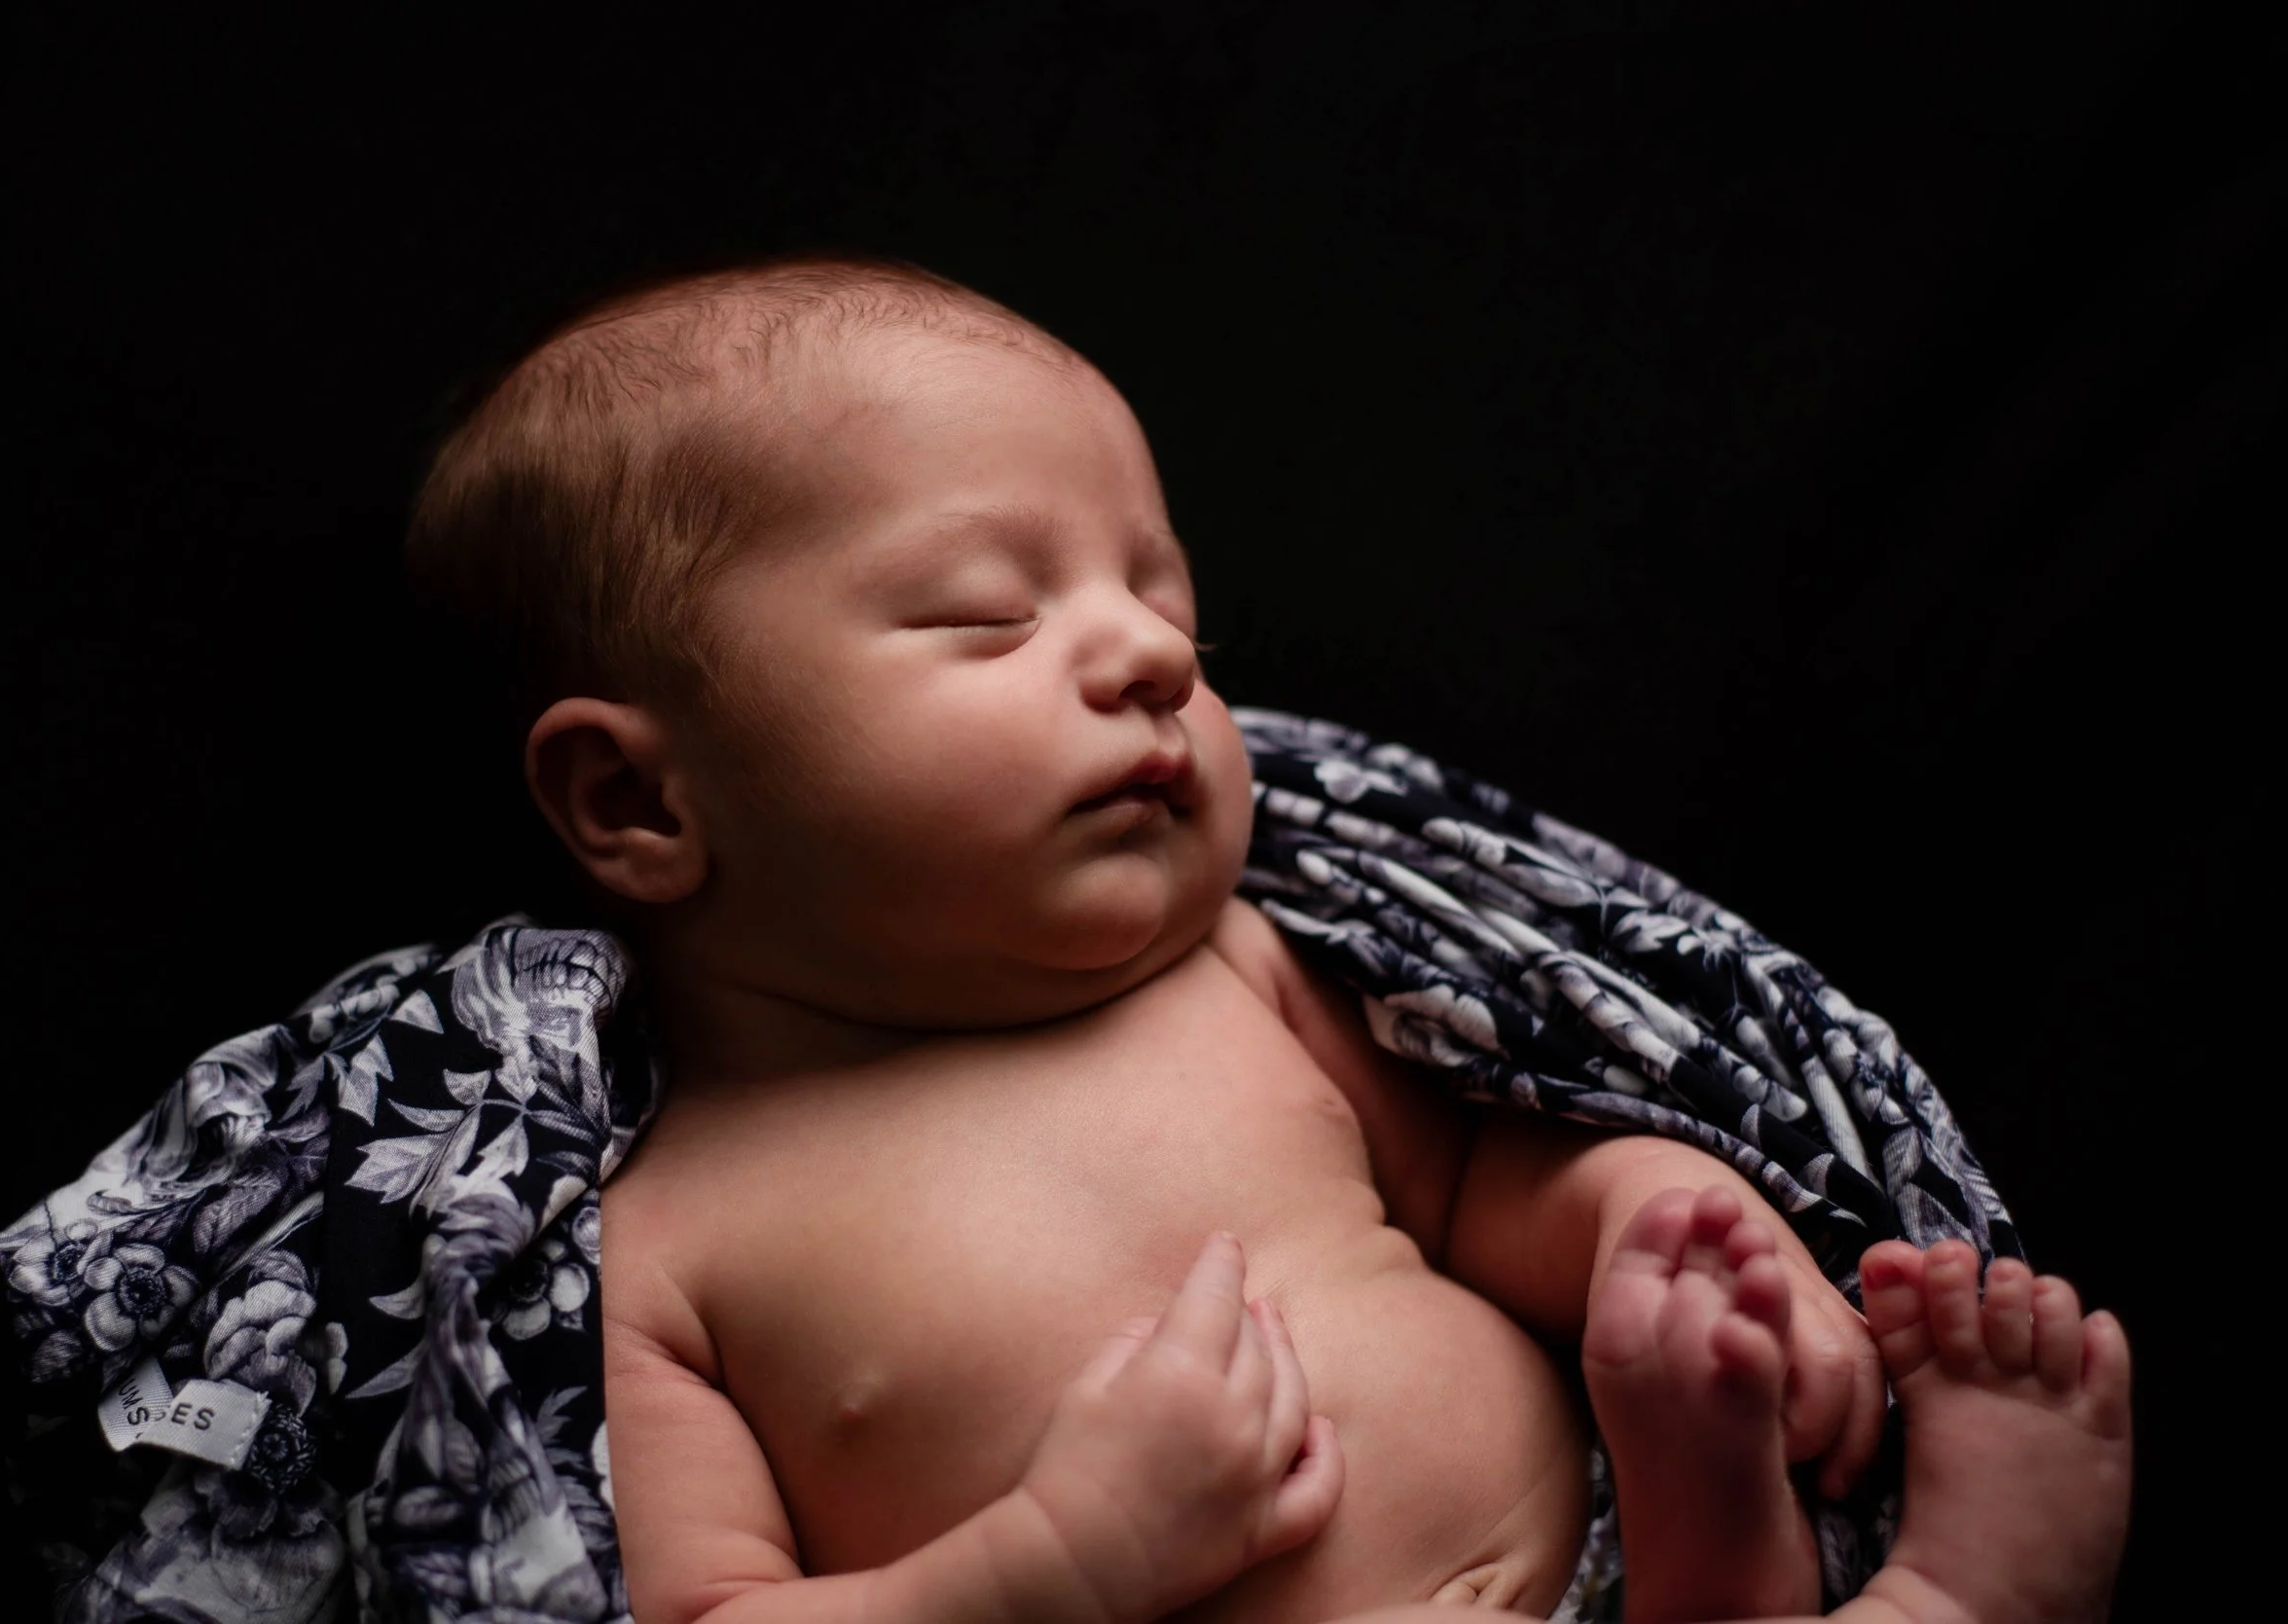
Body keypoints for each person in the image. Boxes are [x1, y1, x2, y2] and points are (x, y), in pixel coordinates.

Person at [406, 256, 2132, 1623]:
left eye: (1164, 604)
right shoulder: (659, 1256)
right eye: (989, 615)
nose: (1152, 660)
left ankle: (1734, 1551)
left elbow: (1469, 1189)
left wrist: (1660, 1229)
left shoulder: (1236, 973)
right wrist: (1058, 1567)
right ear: (638, 803)